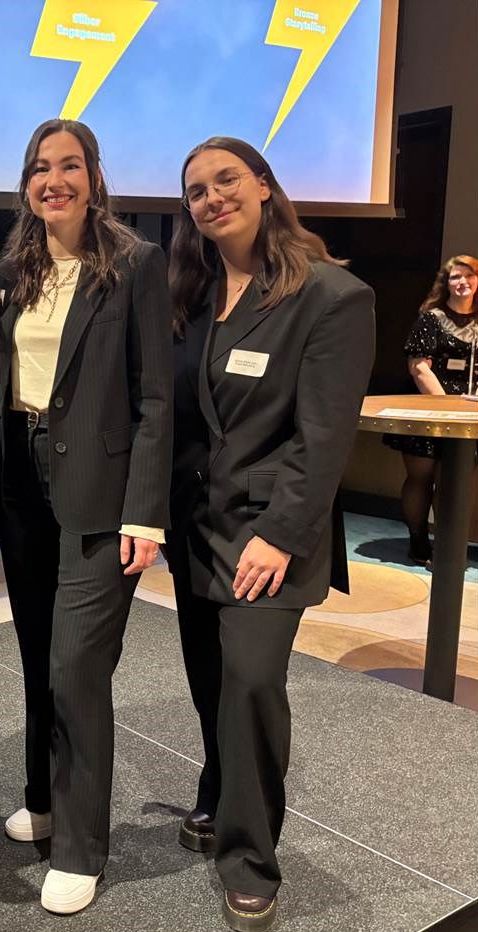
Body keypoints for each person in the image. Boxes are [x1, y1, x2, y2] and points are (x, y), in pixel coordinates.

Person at [165, 136, 375, 931]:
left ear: (262, 185)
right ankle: (218, 797)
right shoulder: (194, 292)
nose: (211, 197)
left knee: (252, 683)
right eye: (195, 191)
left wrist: (282, 533)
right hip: (197, 526)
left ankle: (251, 859)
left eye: (225, 180)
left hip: (268, 533)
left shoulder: (331, 295)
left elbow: (324, 438)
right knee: (210, 680)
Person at [0, 119, 172, 915]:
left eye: (69, 166)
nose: (53, 181)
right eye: (40, 168)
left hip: (103, 495)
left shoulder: (135, 264)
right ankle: (43, 799)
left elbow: (156, 399)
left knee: (77, 668)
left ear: (96, 178)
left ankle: (80, 847)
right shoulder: (16, 265)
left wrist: (146, 514)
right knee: (39, 655)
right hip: (23, 483)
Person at [383, 255, 478, 564]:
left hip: (469, 415)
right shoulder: (431, 317)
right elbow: (420, 369)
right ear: (445, 283)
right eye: (455, 277)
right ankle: (418, 539)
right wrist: (445, 408)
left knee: (454, 481)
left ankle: (448, 545)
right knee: (421, 478)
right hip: (429, 409)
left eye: (469, 275)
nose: (463, 281)